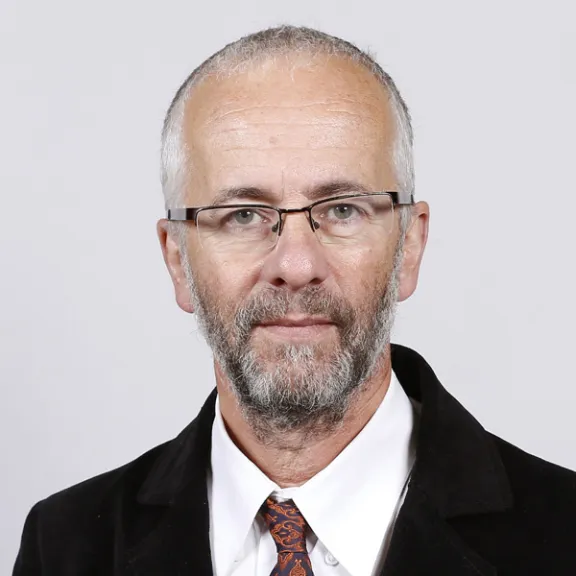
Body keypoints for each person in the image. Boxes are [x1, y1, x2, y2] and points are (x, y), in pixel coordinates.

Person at [13, 25, 576, 576]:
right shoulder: (64, 547)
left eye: (343, 209)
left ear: (409, 246)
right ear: (177, 259)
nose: (297, 265)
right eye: (243, 215)